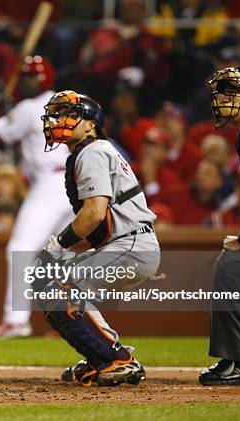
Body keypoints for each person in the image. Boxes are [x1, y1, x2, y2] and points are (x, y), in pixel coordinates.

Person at [36, 90, 160, 387]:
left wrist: (57, 246)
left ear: (90, 124)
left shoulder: (92, 151)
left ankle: (115, 359)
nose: (59, 119)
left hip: (131, 245)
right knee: (51, 284)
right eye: (57, 113)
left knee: (57, 286)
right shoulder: (92, 151)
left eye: (69, 114)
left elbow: (93, 213)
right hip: (127, 243)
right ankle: (103, 354)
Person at [0, 56, 72, 338]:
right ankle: (74, 322)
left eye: (31, 77)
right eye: (24, 77)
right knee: (63, 255)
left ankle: (16, 320)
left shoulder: (30, 107)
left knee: (20, 248)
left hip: (49, 183)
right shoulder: (67, 103)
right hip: (75, 182)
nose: (26, 82)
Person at [199, 67, 240, 386]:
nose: (223, 99)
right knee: (231, 266)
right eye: (221, 92)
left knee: (234, 266)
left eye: (232, 92)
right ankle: (239, 358)